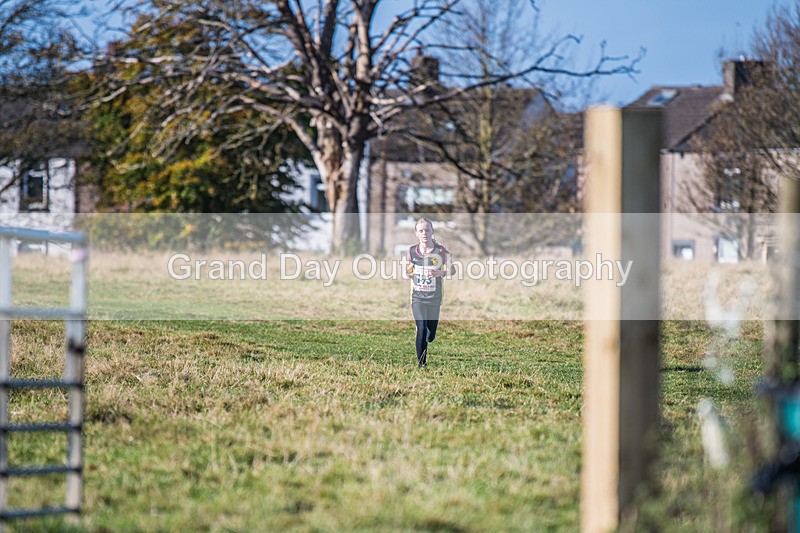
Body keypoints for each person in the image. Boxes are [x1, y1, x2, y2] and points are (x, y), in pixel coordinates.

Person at [405, 217, 454, 368]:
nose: (424, 233)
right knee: (421, 327)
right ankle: (422, 364)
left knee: (430, 335)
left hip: (434, 298)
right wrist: (409, 272)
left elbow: (452, 270)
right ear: (416, 233)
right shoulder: (412, 251)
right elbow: (407, 270)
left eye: (427, 230)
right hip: (417, 297)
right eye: (421, 231)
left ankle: (429, 336)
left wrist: (441, 273)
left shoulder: (440, 251)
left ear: (432, 232)